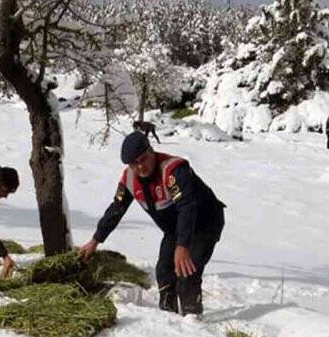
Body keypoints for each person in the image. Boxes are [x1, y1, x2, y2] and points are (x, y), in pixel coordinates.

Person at [79, 131, 225, 316]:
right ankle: (168, 317)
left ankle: (192, 321)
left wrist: (182, 246)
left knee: (187, 271)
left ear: (151, 151)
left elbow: (187, 207)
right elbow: (116, 209)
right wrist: (95, 240)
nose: (140, 166)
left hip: (204, 222)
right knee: (164, 271)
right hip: (175, 228)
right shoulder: (130, 180)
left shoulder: (173, 170)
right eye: (134, 163)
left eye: (144, 159)